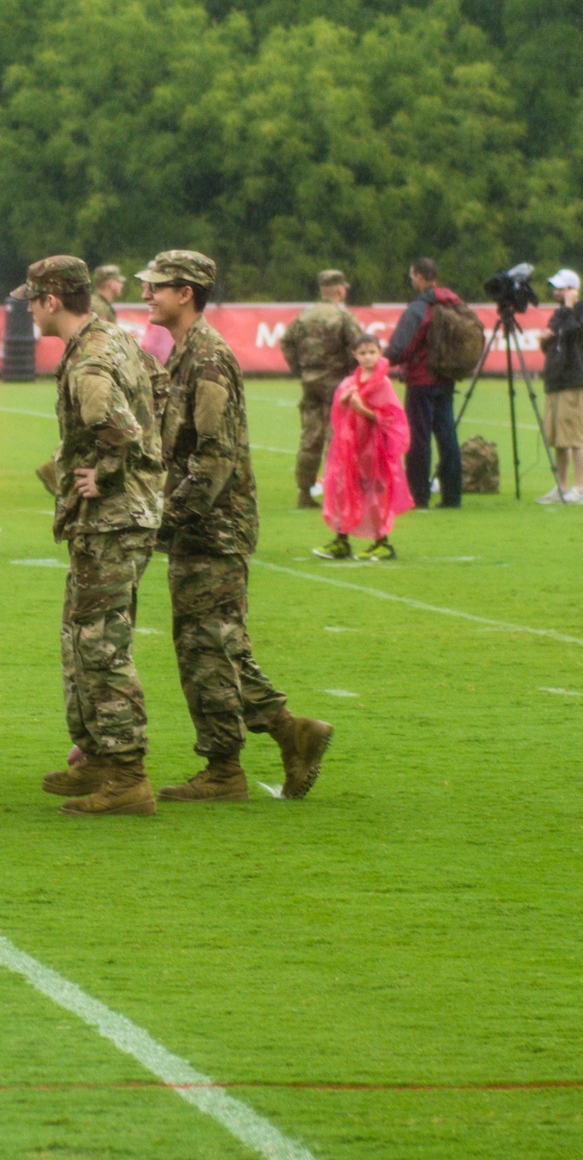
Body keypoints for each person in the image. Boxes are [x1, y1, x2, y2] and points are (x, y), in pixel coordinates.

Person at [139, 251, 334, 804]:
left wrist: (163, 521)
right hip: (201, 526)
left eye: (156, 287)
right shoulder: (186, 354)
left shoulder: (207, 359)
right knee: (216, 643)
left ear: (186, 292)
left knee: (207, 647)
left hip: (212, 527)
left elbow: (215, 458)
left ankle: (226, 769)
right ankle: (288, 731)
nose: (147, 295)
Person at [16, 256, 163, 817]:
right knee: (88, 637)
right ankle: (102, 756)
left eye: (32, 300)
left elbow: (122, 428)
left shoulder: (89, 362)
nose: (28, 310)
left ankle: (127, 774)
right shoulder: (114, 337)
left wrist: (100, 473)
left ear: (52, 301)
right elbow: (160, 394)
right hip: (126, 516)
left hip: (114, 521)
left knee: (101, 644)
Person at [315, 337, 413, 562]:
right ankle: (341, 540)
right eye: (363, 353)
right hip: (349, 449)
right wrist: (344, 403)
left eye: (372, 352)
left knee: (375, 494)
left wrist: (363, 409)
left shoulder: (383, 385)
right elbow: (338, 416)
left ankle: (382, 542)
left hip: (373, 451)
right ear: (355, 355)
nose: (368, 357)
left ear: (380, 353)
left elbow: (392, 419)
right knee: (341, 489)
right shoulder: (349, 382)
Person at [280, 269, 366, 510]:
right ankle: (335, 492)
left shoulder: (305, 316)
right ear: (340, 289)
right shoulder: (343, 317)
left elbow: (286, 341)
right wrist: (353, 376)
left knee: (310, 438)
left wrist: (299, 370)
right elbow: (359, 347)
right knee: (336, 439)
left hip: (310, 383)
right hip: (336, 385)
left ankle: (304, 492)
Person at [386, 256, 465, 509]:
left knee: (419, 439)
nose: (411, 281)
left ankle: (419, 495)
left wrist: (381, 362)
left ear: (420, 276)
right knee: (447, 436)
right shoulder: (453, 303)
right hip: (446, 376)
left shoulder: (419, 307)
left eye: (412, 276)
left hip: (422, 380)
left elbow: (401, 346)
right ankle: (452, 495)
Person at [536, 269, 583, 505]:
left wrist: (571, 307)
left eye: (561, 288)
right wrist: (545, 341)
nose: (556, 292)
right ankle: (561, 487)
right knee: (559, 439)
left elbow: (574, 332)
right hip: (556, 381)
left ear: (573, 290)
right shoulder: (559, 314)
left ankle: (580, 490)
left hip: (574, 380)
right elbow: (555, 345)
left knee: (575, 437)